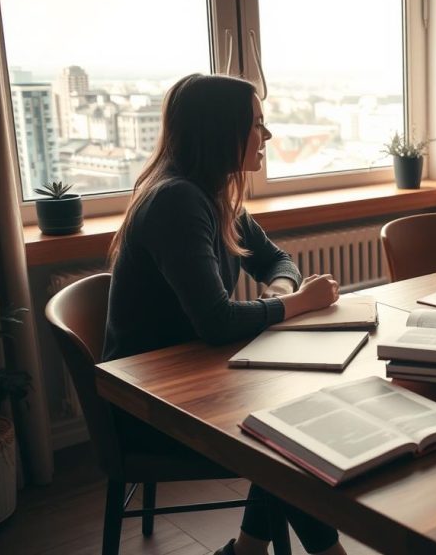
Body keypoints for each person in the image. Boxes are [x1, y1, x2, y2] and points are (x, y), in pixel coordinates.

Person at [104, 74, 345, 555]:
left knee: (286, 425)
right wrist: (297, 303)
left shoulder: (213, 193)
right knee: (287, 436)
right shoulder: (176, 200)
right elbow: (215, 323)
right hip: (148, 405)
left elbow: (278, 261)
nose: (268, 135)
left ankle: (247, 552)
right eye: (258, 124)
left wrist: (279, 290)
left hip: (191, 377)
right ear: (221, 132)